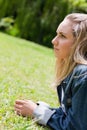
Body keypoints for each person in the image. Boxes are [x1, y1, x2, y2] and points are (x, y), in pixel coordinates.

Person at [14, 13, 87, 130]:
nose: (54, 41)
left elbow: (75, 126)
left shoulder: (83, 75)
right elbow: (69, 113)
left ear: (80, 44)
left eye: (62, 36)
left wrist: (36, 112)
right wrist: (43, 109)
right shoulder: (73, 72)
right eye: (57, 34)